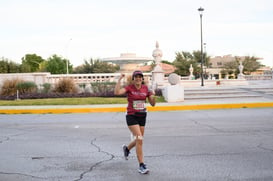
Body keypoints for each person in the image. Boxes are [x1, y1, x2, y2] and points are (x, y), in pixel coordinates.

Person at [114, 70, 156, 174]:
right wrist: (119, 79)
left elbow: (153, 104)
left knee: (139, 139)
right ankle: (141, 165)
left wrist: (153, 95)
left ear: (142, 79)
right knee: (139, 139)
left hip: (142, 116)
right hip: (132, 116)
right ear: (133, 79)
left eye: (140, 77)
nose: (138, 78)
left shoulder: (145, 88)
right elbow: (117, 92)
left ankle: (127, 149)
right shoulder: (129, 88)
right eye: (136, 77)